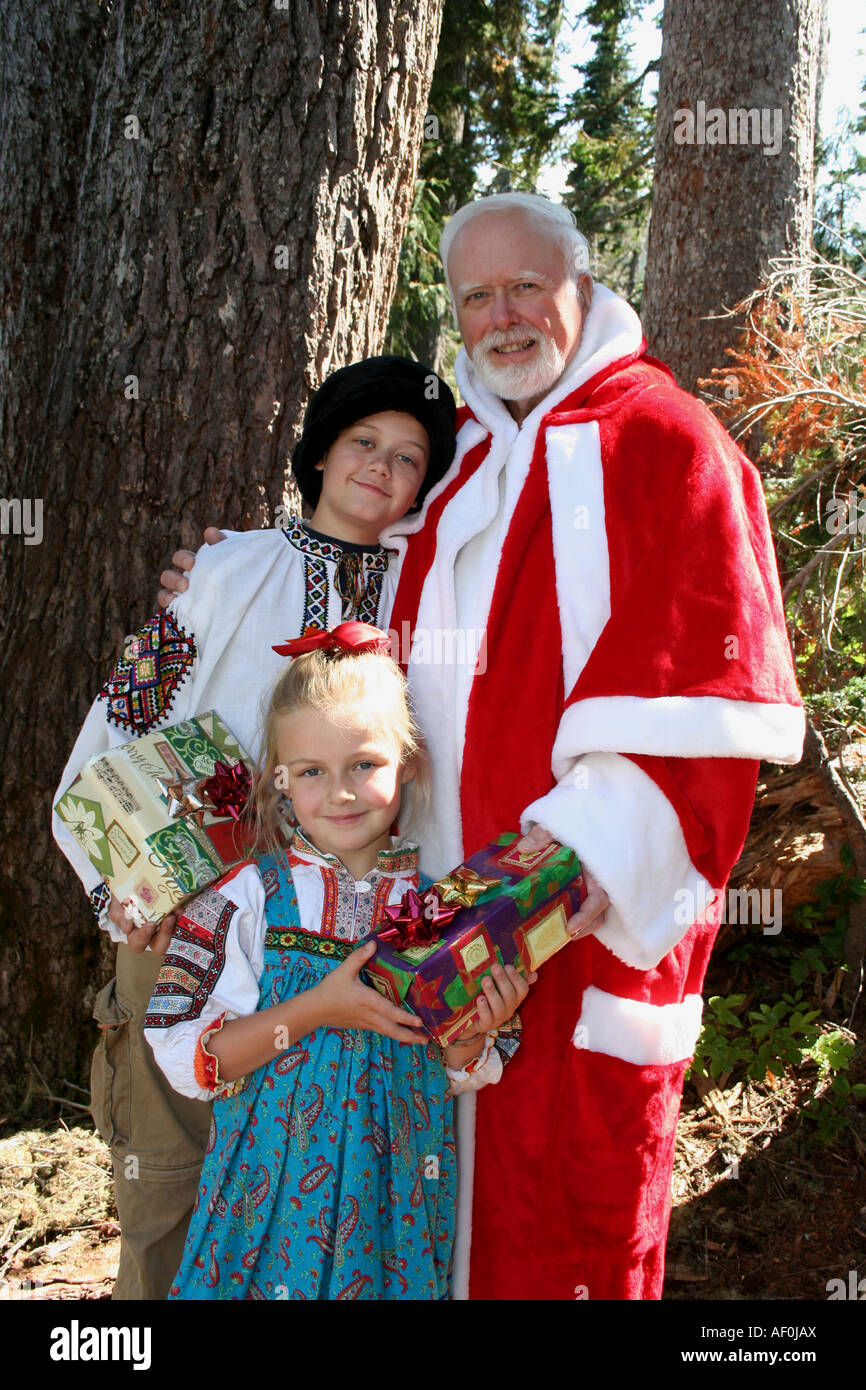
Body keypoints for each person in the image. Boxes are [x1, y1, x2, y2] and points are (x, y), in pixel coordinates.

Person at [160, 192, 805, 1301]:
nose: (500, 316)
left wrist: (513, 908)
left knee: (561, 1229)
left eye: (525, 288)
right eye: (474, 297)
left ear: (585, 288)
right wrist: (218, 576)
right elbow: (332, 629)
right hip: (394, 939)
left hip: (566, 942)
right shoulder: (450, 471)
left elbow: (700, 726)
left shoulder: (668, 445)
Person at [51, 357, 459, 1299]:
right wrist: (125, 883)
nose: (382, 469)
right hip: (193, 918)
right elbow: (123, 717)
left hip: (353, 939)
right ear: (320, 454)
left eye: (408, 457)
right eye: (363, 442)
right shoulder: (231, 570)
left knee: (337, 1198)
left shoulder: (427, 593)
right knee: (171, 1181)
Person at [143, 622, 529, 1299]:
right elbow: (190, 1057)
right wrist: (318, 1007)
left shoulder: (440, 909)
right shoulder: (249, 897)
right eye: (313, 772)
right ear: (279, 779)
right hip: (266, 1201)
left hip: (396, 1208)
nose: (341, 793)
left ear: (406, 762)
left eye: (364, 765)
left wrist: (474, 1034)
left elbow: (453, 1067)